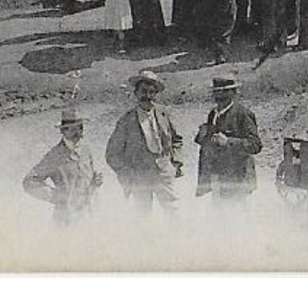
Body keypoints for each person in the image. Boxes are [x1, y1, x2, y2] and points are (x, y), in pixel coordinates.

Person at [105, 71, 184, 212]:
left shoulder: (164, 114)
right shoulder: (126, 121)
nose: (148, 96)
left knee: (173, 211)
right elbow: (112, 154)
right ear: (136, 93)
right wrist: (128, 173)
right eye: (144, 92)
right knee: (143, 215)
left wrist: (175, 164)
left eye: (152, 92)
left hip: (163, 172)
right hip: (139, 176)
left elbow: (177, 140)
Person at [24, 107, 103, 224]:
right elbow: (29, 182)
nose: (78, 133)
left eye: (80, 128)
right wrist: (57, 196)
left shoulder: (85, 149)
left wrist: (94, 182)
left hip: (89, 214)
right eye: (72, 129)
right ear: (63, 131)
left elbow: (86, 178)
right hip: (66, 219)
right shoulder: (55, 156)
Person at [195, 75, 262, 204]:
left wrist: (228, 142)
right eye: (217, 91)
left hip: (238, 177)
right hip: (216, 175)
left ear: (234, 93)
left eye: (225, 91)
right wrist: (203, 135)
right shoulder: (213, 114)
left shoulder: (243, 114)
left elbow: (255, 145)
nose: (220, 95)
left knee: (236, 216)